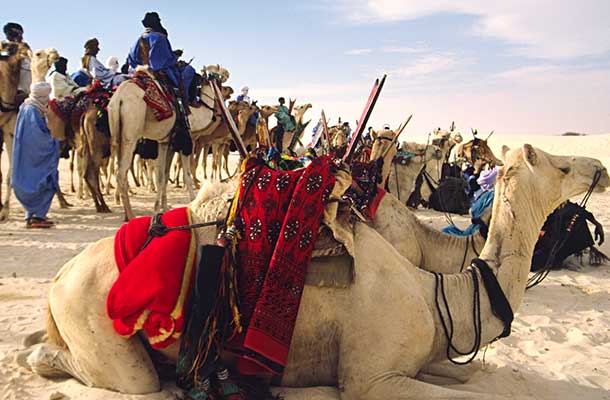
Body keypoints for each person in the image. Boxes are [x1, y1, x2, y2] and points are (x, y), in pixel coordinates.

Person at [11, 82, 59, 228]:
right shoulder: (32, 110)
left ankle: (33, 216)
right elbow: (35, 137)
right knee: (45, 181)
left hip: (27, 154)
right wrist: (53, 141)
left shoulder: (27, 106)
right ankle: (36, 217)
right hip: (34, 155)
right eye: (46, 96)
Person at [3, 22, 31, 96]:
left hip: (26, 91)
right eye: (16, 33)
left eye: (21, 34)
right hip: (9, 91)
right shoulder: (3, 47)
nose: (20, 36)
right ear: (8, 34)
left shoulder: (25, 47)